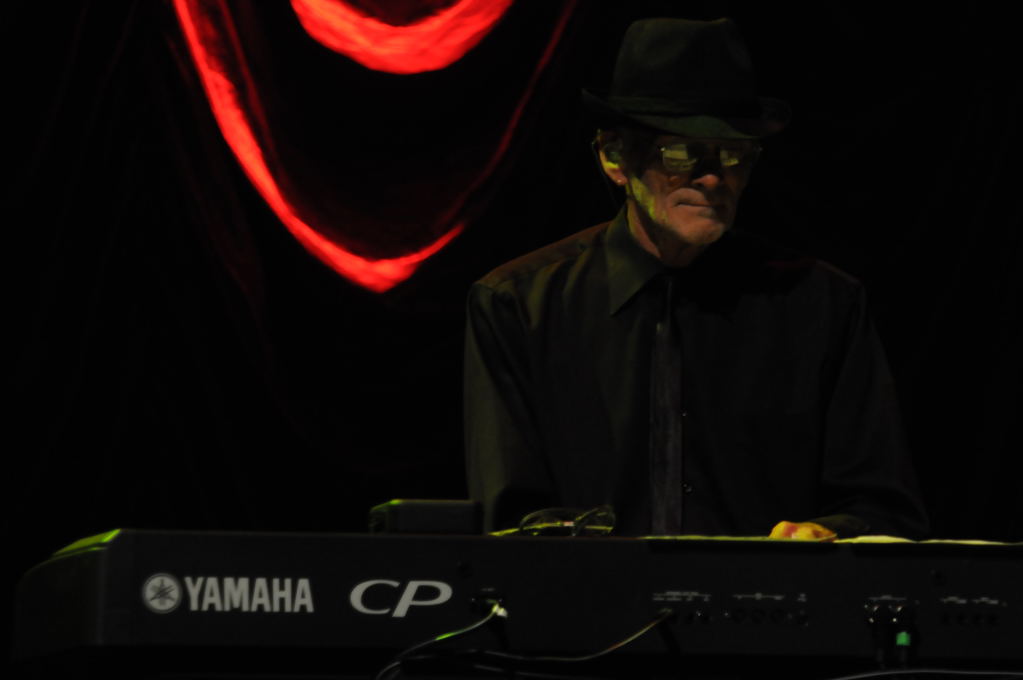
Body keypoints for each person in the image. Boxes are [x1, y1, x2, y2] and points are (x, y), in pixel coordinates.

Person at [463, 17, 929, 539]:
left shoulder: (823, 305)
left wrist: (828, 532)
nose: (712, 177)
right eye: (681, 153)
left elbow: (884, 507)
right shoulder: (518, 305)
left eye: (732, 154)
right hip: (589, 593)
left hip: (765, 592)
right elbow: (510, 525)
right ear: (614, 158)